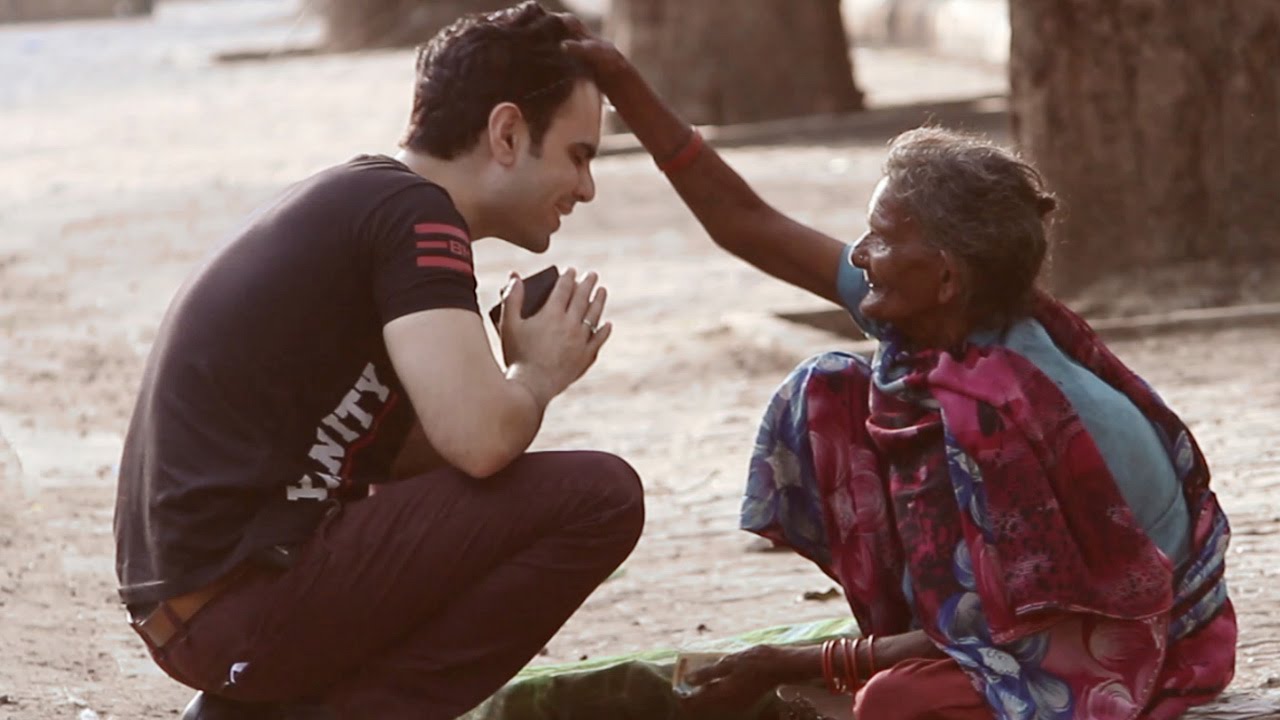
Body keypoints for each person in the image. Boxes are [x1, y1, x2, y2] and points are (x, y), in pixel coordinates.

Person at [562, 22, 1236, 720]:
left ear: (944, 276)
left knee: (893, 702)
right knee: (828, 390)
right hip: (1027, 612)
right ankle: (910, 629)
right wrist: (621, 81)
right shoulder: (949, 319)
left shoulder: (1011, 411)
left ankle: (906, 646)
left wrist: (799, 663)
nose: (859, 253)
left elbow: (1025, 631)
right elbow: (747, 223)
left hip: (1139, 636)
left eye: (882, 237)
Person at [113, 5, 645, 719]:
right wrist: (536, 377)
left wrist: (502, 373)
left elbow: (416, 465)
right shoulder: (416, 217)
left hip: (203, 605)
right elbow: (482, 443)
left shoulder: (374, 204)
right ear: (508, 133)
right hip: (234, 599)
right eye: (580, 155)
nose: (586, 189)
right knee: (600, 498)